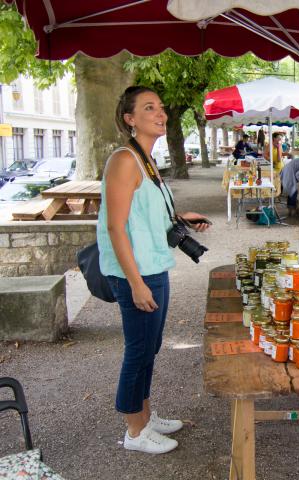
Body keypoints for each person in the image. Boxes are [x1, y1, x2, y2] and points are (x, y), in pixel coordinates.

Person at [97, 86, 210, 454]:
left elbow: (143, 214)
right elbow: (116, 226)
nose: (160, 114)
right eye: (149, 108)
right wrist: (135, 283)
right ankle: (134, 431)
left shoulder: (143, 159)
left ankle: (144, 415)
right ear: (130, 119)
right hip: (137, 273)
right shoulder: (124, 160)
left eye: (161, 107)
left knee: (150, 347)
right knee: (139, 350)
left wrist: (181, 218)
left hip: (152, 266)